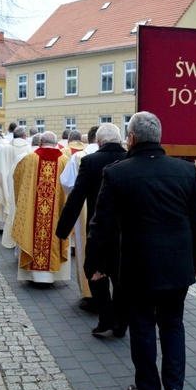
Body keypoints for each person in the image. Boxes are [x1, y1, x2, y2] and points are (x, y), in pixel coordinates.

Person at [85, 112, 196, 390]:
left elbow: (101, 225)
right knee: (172, 324)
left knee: (142, 326)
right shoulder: (185, 171)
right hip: (177, 265)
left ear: (131, 138)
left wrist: (96, 263)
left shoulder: (117, 173)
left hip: (137, 266)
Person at [57, 124, 128, 336]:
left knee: (93, 271)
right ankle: (121, 322)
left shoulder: (91, 161)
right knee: (121, 277)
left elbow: (76, 197)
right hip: (127, 230)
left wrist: (63, 230)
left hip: (99, 229)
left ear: (98, 142)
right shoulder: (131, 159)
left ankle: (107, 317)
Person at [11, 131, 71, 284]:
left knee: (32, 229)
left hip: (34, 212)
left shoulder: (29, 159)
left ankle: (33, 275)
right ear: (56, 143)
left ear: (40, 143)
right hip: (57, 212)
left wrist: (24, 203)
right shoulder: (65, 160)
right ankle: (51, 275)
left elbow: (18, 181)